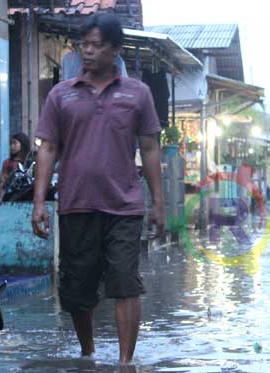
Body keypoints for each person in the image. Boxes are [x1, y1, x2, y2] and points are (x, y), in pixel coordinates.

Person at [30, 14, 164, 364]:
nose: (87, 52)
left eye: (96, 45)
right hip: (76, 204)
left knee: (124, 282)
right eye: (84, 45)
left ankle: (124, 363)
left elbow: (150, 149)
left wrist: (160, 206)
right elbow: (48, 148)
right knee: (78, 290)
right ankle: (88, 352)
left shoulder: (138, 94)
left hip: (124, 206)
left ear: (115, 49)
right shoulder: (61, 95)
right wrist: (39, 202)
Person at [0, 132, 31, 201]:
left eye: (15, 143)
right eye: (11, 143)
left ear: (23, 144)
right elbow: (2, 183)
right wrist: (0, 199)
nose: (12, 146)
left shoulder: (30, 162)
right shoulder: (7, 163)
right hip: (9, 198)